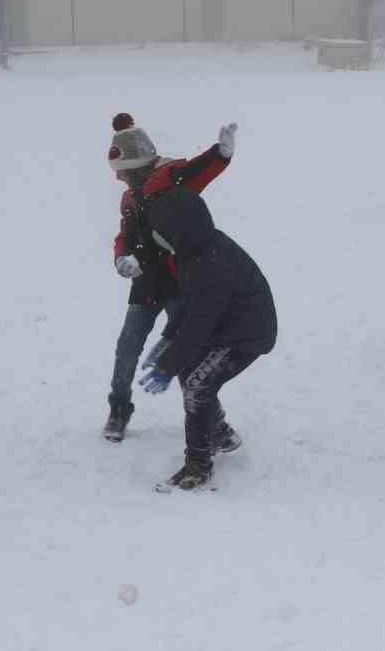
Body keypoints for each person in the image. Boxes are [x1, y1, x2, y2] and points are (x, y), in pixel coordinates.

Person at [104, 113, 237, 442]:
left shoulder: (170, 177)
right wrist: (122, 258)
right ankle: (119, 408)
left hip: (181, 283)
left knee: (187, 352)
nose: (118, 178)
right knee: (127, 347)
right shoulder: (129, 198)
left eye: (121, 171)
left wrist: (220, 153)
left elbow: (199, 169)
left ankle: (214, 421)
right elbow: (125, 235)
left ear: (135, 165)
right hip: (146, 285)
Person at [137, 188, 276, 492]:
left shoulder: (210, 261)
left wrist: (168, 364)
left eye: (160, 231)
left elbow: (200, 323)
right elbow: (189, 305)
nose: (157, 237)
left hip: (247, 333)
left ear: (177, 229)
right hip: (224, 326)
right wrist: (167, 340)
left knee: (198, 385)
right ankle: (219, 433)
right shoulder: (194, 251)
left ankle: (198, 466)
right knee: (192, 374)